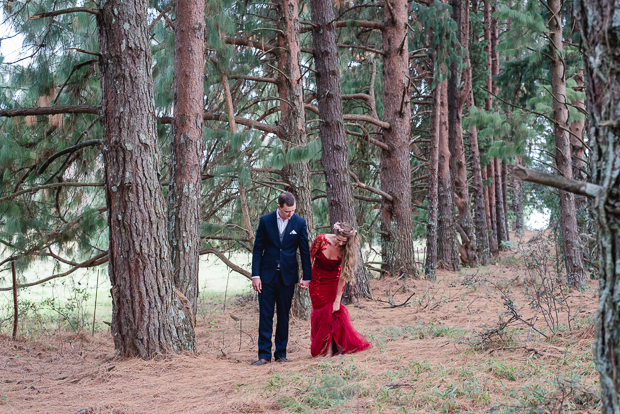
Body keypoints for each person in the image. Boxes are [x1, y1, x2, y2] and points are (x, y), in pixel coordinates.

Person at [251, 192, 311, 365]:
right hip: (266, 276)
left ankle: (281, 354)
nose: (290, 214)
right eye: (287, 211)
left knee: (283, 316)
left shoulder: (299, 223)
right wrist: (256, 275)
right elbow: (258, 249)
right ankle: (263, 355)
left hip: (287, 277)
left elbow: (304, 251)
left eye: (293, 211)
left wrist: (307, 276)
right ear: (279, 207)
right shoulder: (265, 221)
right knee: (266, 315)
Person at [307, 222, 371, 357]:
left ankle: (330, 350)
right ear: (335, 234)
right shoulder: (321, 239)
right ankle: (324, 348)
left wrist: (338, 299)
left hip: (333, 282)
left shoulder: (347, 249)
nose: (341, 243)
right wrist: (305, 277)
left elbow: (343, 276)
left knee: (332, 312)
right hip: (317, 281)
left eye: (344, 241)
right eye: (339, 240)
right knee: (320, 313)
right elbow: (310, 256)